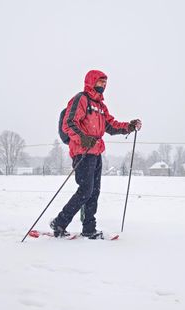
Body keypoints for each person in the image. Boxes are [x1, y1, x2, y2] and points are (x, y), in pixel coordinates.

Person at [50, 69, 142, 239]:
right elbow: (69, 124)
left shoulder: (100, 106)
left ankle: (89, 228)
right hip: (82, 151)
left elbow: (111, 125)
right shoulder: (81, 99)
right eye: (100, 82)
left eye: (105, 83)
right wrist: (83, 139)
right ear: (91, 81)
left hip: (96, 151)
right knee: (85, 190)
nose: (103, 85)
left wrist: (128, 126)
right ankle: (60, 222)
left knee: (94, 191)